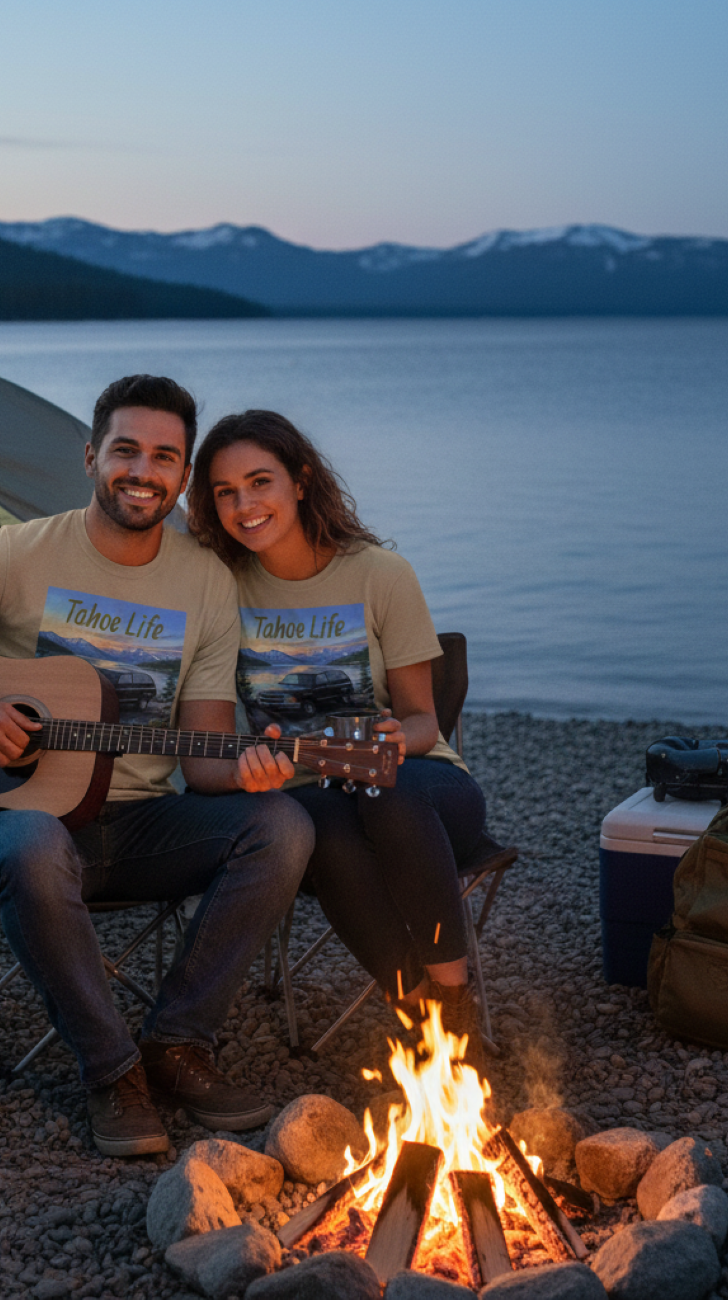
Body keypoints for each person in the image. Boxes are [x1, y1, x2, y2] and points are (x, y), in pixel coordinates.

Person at [0, 376, 313, 1157]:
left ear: (183, 477)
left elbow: (207, 764)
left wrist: (258, 769)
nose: (142, 470)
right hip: (19, 822)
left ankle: (178, 1045)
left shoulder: (207, 582)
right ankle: (111, 1069)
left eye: (164, 456)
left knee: (283, 827)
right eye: (125, 449)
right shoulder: (19, 553)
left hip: (143, 824)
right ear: (91, 456)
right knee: (28, 842)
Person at [186, 409, 491, 1056]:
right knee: (322, 825)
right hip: (311, 793)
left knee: (386, 791)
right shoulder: (224, 588)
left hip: (421, 787)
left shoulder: (380, 574)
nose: (245, 505)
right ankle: (420, 1018)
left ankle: (454, 1005)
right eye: (225, 492)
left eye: (260, 482)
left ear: (300, 481)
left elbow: (422, 721)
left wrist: (380, 747)